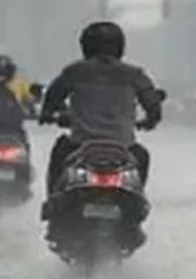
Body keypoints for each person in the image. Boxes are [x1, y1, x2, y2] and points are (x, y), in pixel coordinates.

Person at [38, 21, 162, 208]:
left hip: (78, 145)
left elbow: (53, 96)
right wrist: (150, 121)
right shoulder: (134, 74)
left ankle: (52, 203)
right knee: (142, 156)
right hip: (124, 148)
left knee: (59, 152)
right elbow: (153, 105)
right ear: (120, 46)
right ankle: (137, 204)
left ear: (86, 45)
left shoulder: (75, 71)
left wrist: (48, 113)